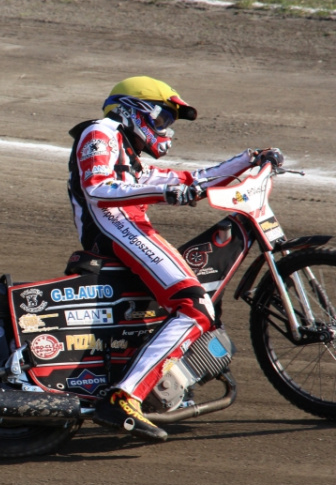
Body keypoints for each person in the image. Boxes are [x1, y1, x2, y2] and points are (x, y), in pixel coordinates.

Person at [67, 76, 284, 441]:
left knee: (190, 301)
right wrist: (167, 192)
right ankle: (124, 397)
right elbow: (97, 187)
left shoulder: (127, 151)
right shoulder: (100, 132)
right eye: (164, 118)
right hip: (115, 228)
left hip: (126, 227)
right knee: (196, 305)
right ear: (134, 111)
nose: (167, 129)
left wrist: (248, 160)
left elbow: (191, 178)